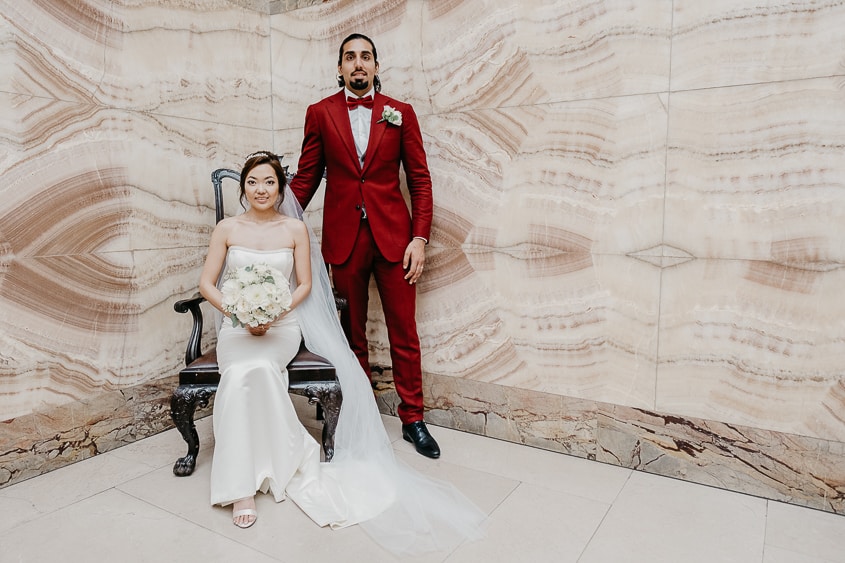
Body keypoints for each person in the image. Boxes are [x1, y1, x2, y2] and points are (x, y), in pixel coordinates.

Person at [198, 151, 486, 554]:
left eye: (269, 182)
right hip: (237, 327)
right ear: (243, 188)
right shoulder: (226, 229)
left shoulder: (294, 229)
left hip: (281, 326)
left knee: (261, 367)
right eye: (252, 182)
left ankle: (269, 462)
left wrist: (272, 312)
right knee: (242, 371)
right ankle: (240, 486)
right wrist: (239, 313)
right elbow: (207, 284)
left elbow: (304, 285)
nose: (261, 189)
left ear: (281, 189)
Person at [290, 32, 440, 459]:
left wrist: (419, 238)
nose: (358, 63)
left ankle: (413, 419)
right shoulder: (320, 113)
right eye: (350, 57)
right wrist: (269, 221)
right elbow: (306, 178)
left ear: (376, 65)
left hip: (395, 240)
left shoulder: (400, 113)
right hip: (344, 241)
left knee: (404, 333)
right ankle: (363, 415)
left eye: (366, 57)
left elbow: (420, 180)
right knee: (351, 336)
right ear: (339, 68)